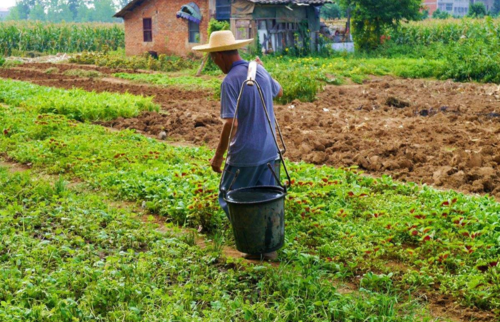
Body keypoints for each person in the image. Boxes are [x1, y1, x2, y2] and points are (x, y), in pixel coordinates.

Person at [193, 30, 283, 260]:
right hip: (270, 151)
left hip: (245, 154)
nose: (215, 62)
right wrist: (264, 69)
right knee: (266, 197)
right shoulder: (259, 70)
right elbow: (279, 91)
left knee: (228, 196)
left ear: (222, 55)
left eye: (214, 57)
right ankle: (268, 248)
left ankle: (253, 244)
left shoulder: (230, 81)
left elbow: (232, 124)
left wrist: (218, 155)